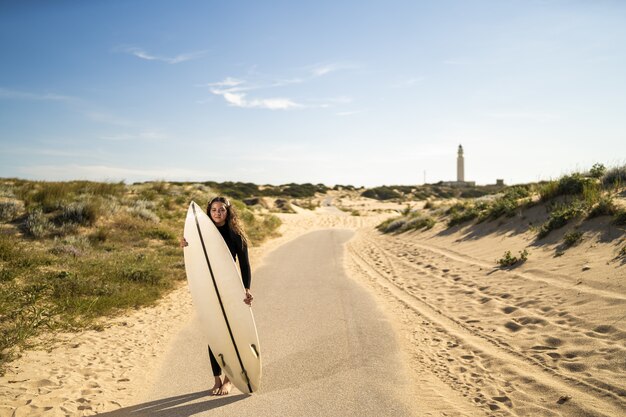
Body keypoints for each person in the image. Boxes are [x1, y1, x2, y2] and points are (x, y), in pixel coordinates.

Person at [181, 196, 253, 395]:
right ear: (209, 211)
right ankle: (216, 379)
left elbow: (245, 264)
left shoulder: (235, 234)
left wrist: (246, 289)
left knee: (232, 333)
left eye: (221, 210)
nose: (217, 213)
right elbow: (193, 256)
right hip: (208, 288)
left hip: (230, 287)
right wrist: (185, 245)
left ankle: (229, 380)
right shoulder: (201, 233)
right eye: (213, 210)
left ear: (228, 212)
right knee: (215, 333)